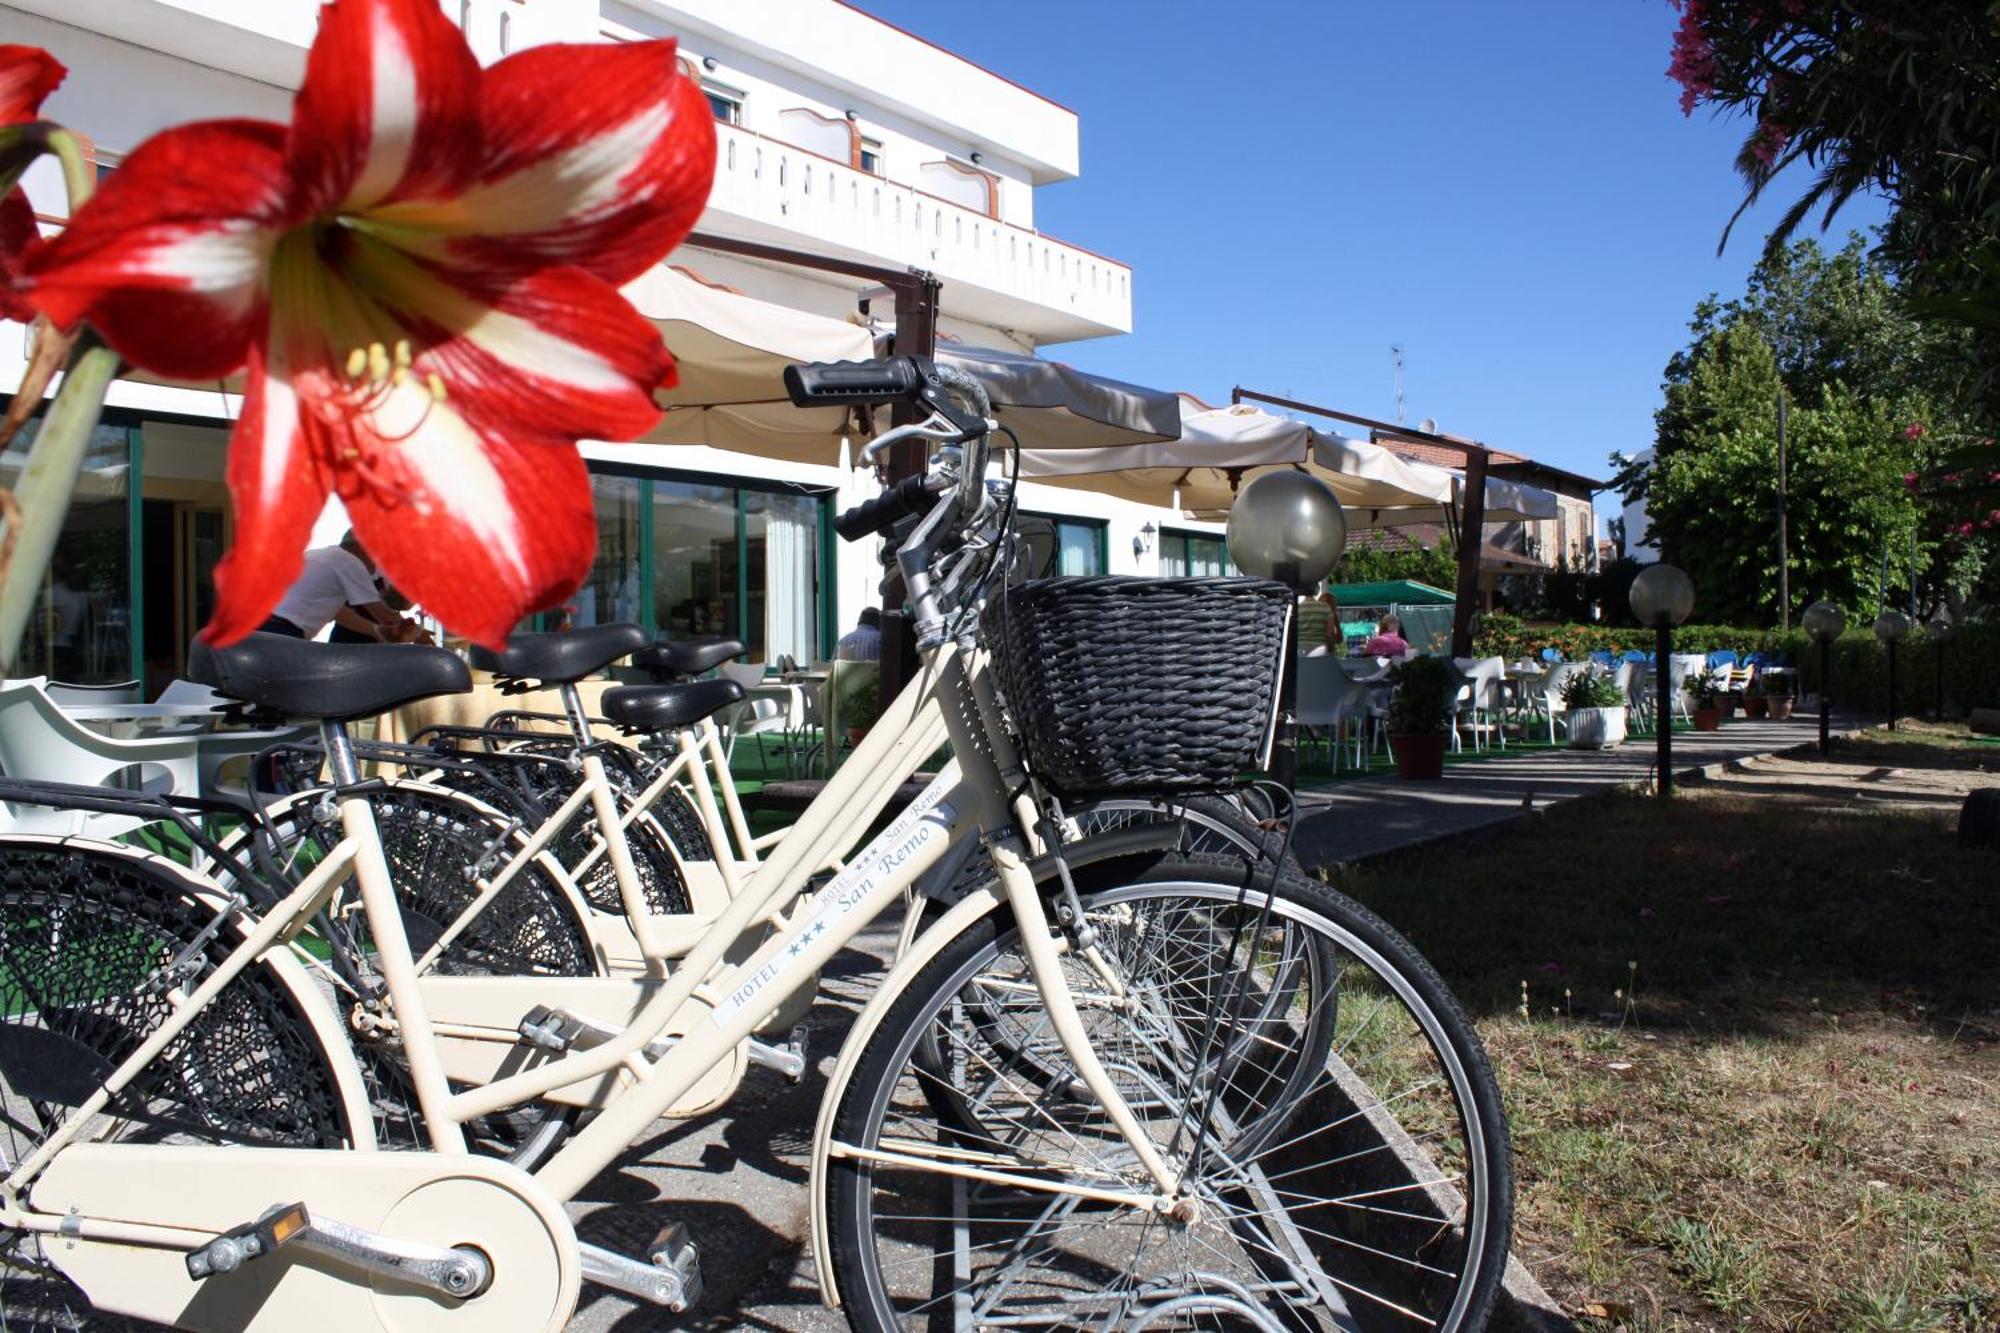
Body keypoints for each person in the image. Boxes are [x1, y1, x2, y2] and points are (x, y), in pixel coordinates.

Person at [262, 531, 422, 642]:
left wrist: (377, 631)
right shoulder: (349, 562)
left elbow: (340, 613)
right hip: (283, 630)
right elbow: (382, 613)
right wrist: (417, 634)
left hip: (267, 625)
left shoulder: (318, 556)